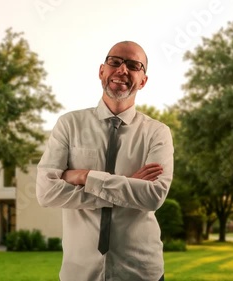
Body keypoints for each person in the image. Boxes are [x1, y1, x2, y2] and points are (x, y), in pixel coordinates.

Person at [36, 41, 174, 281]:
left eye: (133, 65)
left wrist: (84, 177)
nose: (122, 70)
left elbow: (153, 196)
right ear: (102, 70)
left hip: (140, 272)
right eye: (115, 62)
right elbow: (46, 192)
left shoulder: (157, 132)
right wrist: (127, 185)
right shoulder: (69, 125)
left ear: (143, 81)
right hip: (80, 273)